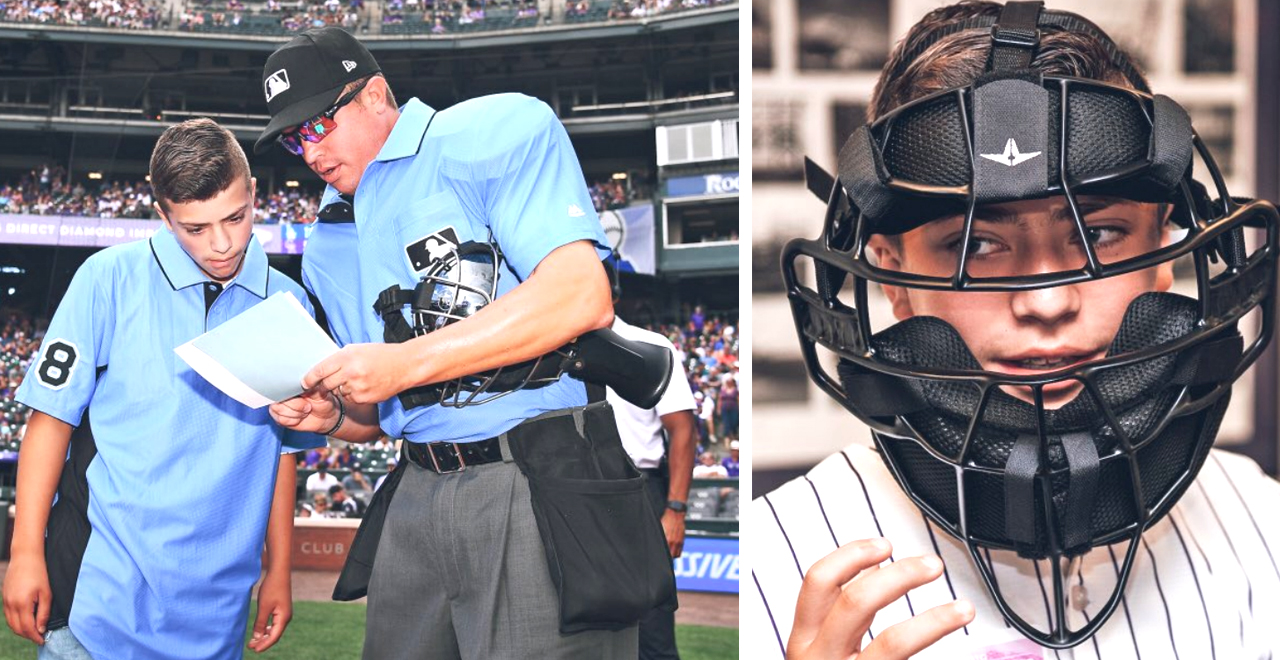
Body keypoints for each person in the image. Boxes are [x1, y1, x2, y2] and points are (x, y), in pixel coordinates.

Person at [747, 2, 1280, 659]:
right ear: (892, 274)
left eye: (1102, 233)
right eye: (976, 247)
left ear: (1164, 249)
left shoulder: (1264, 525)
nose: (1047, 301)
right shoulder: (771, 562)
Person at [256, 27, 643, 658]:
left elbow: (581, 296)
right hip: (416, 483)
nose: (308, 150)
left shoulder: (492, 129)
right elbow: (379, 412)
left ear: (375, 94)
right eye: (294, 138)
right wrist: (331, 416)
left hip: (535, 473)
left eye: (318, 125)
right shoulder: (327, 235)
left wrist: (403, 363)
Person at [0, 118, 323, 659]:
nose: (221, 243)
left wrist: (279, 570)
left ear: (254, 194)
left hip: (216, 613)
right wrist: (25, 550)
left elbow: (282, 452)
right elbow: (50, 419)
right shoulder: (107, 278)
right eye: (195, 228)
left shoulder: (288, 304)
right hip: (96, 600)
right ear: (163, 216)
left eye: (236, 218)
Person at [604, 262, 696, 660]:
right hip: (570, 489)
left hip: (639, 489)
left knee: (652, 627)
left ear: (614, 293)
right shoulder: (548, 351)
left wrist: (675, 508)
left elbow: (683, 430)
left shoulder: (651, 346)